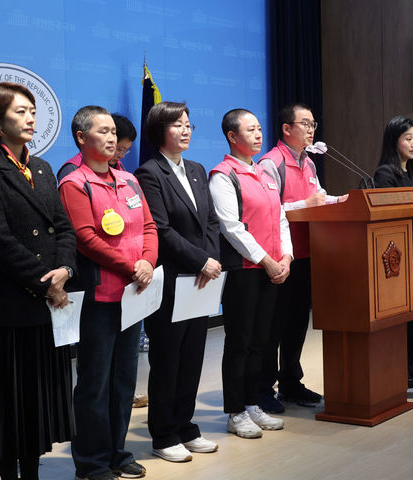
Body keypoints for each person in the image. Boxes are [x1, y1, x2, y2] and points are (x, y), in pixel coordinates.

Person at [0, 82, 76, 480]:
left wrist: (65, 270)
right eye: (20, 112)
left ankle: (32, 474)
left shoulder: (42, 167)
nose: (31, 118)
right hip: (6, 308)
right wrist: (47, 284)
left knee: (37, 402)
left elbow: (64, 227)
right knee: (7, 405)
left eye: (32, 111)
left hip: (45, 306)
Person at [59, 106, 158, 480]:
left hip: (133, 294)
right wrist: (131, 266)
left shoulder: (129, 180)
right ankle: (92, 462)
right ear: (81, 138)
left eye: (114, 131)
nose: (112, 137)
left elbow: (149, 227)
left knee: (124, 379)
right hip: (100, 297)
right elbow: (85, 238)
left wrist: (148, 262)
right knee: (95, 382)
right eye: (103, 131)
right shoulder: (74, 183)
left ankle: (118, 452)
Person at [134, 101, 221, 462]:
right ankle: (164, 434)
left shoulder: (197, 169)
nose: (186, 130)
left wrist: (210, 260)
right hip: (171, 279)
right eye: (177, 125)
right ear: (159, 131)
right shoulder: (149, 173)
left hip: (201, 279)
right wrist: (201, 260)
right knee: (168, 359)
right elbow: (161, 229)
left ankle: (186, 426)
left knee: (193, 357)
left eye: (188, 124)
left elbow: (211, 221)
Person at [257, 103, 347, 413]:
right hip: (281, 256)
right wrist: (306, 205)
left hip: (308, 253)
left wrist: (342, 201)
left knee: (297, 323)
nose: (311, 129)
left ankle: (291, 383)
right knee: (274, 326)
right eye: (305, 124)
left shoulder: (308, 162)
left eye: (313, 124)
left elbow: (318, 198)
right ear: (287, 129)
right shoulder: (271, 163)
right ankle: (264, 388)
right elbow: (268, 211)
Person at [209, 108, 292, 439]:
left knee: (261, 341)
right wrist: (266, 260)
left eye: (259, 129)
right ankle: (235, 411)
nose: (258, 134)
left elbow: (280, 218)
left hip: (272, 268)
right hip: (244, 270)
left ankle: (253, 402)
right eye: (250, 130)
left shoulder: (265, 173)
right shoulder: (223, 175)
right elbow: (231, 227)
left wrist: (286, 257)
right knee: (240, 342)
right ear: (232, 136)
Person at [372, 116, 413, 388]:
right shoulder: (384, 173)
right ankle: (401, 365)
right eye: (408, 138)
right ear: (394, 141)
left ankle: (411, 363)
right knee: (403, 313)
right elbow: (388, 211)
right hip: (397, 254)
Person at [57, 113, 136, 183]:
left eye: (125, 151)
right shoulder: (72, 169)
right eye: (119, 149)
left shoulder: (119, 166)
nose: (122, 155)